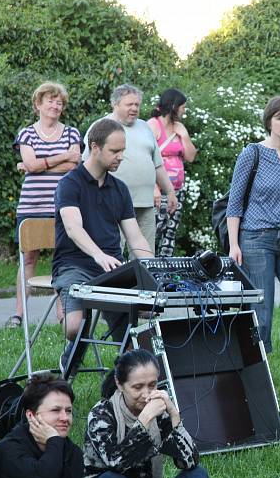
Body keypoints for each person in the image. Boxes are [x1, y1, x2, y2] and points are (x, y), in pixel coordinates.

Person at [53, 119, 154, 368]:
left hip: (111, 269)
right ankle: (71, 341)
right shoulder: (70, 183)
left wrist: (154, 267)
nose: (121, 157)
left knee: (132, 339)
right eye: (115, 151)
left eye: (123, 151)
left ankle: (127, 382)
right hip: (74, 265)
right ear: (95, 147)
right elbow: (73, 228)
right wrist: (98, 255)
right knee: (75, 327)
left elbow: (135, 237)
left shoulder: (119, 189)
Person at [74, 349, 208, 478]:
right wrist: (144, 420)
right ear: (119, 384)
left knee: (196, 475)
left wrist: (174, 414)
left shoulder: (158, 412)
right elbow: (116, 463)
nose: (146, 395)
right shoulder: (101, 414)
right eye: (138, 387)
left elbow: (189, 462)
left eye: (152, 385)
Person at [227, 96, 280, 353]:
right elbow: (235, 202)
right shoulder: (252, 153)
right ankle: (259, 369)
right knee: (261, 312)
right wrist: (234, 244)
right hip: (255, 238)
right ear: (269, 121)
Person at [6, 82, 81, 329]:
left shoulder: (71, 132)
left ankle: (63, 314)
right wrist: (59, 158)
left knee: (63, 258)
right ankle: (19, 315)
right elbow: (32, 164)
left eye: (59, 102)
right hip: (31, 206)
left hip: (64, 206)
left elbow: (74, 166)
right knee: (28, 260)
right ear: (39, 104)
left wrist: (38, 163)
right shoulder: (27, 133)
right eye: (50, 100)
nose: (55, 105)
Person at [83, 84, 177, 253]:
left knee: (146, 255)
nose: (134, 108)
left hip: (145, 204)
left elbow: (158, 165)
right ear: (115, 104)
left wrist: (170, 192)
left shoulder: (145, 127)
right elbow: (87, 167)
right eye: (129, 104)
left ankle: (142, 281)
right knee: (112, 253)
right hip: (110, 202)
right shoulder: (101, 127)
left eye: (137, 105)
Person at [147, 88, 197, 256]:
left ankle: (163, 272)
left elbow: (190, 157)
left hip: (176, 191)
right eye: (182, 107)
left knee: (169, 235)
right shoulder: (153, 125)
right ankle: (146, 269)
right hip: (157, 190)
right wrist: (153, 186)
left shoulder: (179, 127)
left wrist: (184, 136)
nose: (184, 110)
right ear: (174, 106)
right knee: (153, 232)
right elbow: (145, 158)